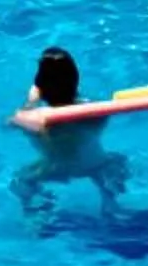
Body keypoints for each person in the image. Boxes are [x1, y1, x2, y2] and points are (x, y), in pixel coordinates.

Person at [10, 43, 126, 218]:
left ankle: (35, 217)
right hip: (95, 165)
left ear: (41, 88)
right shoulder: (94, 112)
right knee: (119, 160)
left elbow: (9, 123)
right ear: (76, 82)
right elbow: (104, 117)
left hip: (54, 168)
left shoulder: (30, 119)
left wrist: (30, 102)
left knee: (20, 180)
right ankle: (111, 206)